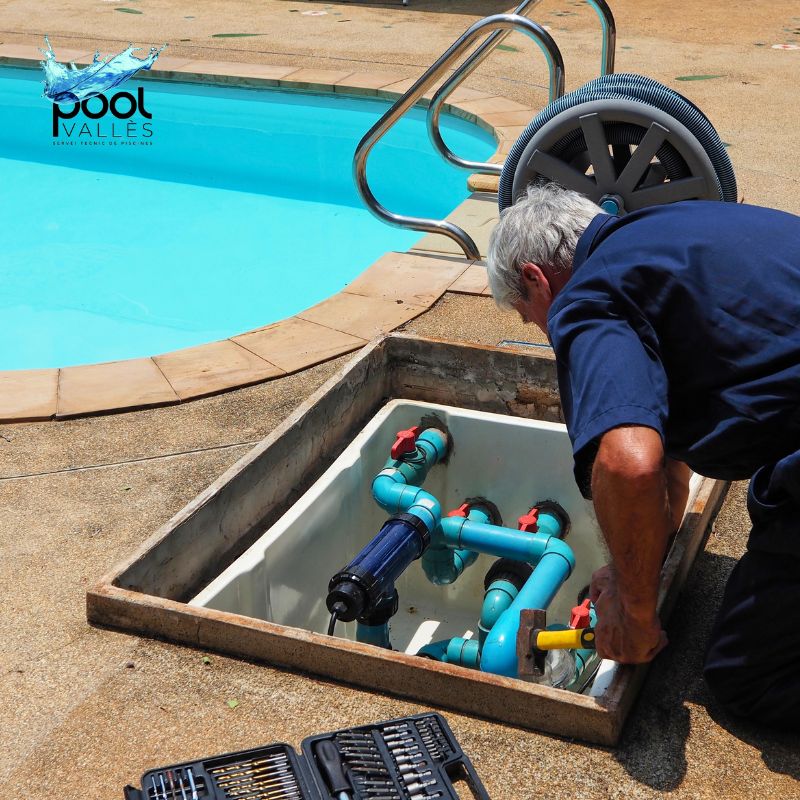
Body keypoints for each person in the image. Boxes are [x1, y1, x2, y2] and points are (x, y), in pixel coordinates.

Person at [486, 183, 800, 728]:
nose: (541, 330)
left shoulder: (588, 298)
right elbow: (667, 454)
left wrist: (633, 614)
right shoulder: (670, 230)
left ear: (536, 278)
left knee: (748, 678)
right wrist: (635, 569)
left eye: (527, 314)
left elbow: (628, 463)